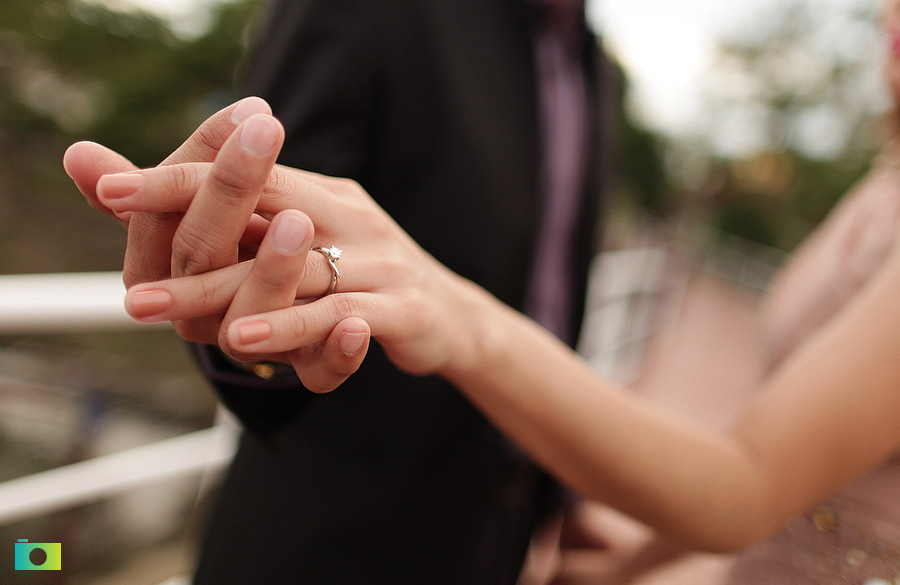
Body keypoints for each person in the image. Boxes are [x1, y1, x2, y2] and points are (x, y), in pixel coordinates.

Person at [79, 101, 900, 584]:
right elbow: (802, 442)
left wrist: (452, 310)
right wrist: (635, 552)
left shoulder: (598, 71)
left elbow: (754, 482)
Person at [68, 0, 620, 582]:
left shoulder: (598, 69)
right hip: (332, 536)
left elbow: (550, 292)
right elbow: (265, 223)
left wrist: (559, 486)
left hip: (501, 539)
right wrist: (267, 339)